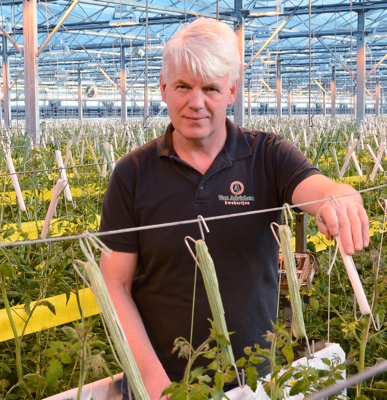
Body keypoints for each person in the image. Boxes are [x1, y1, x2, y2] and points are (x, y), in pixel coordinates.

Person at [99, 17, 369, 400]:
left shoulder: (267, 155)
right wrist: (152, 380)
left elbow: (315, 187)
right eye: (183, 86)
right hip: (162, 384)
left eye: (210, 88)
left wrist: (338, 195)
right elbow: (114, 283)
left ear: (231, 91)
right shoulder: (132, 173)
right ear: (163, 89)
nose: (196, 102)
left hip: (254, 382)